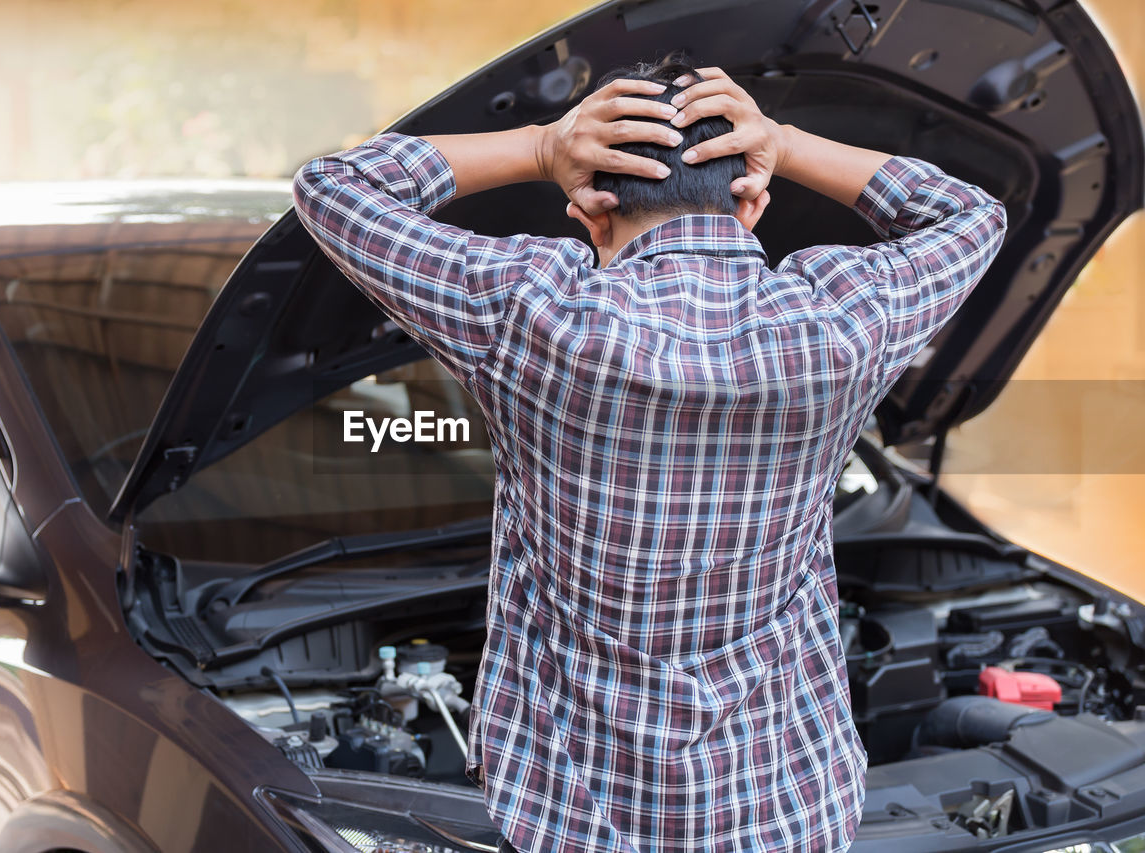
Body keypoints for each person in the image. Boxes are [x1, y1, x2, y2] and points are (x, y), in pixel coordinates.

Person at [293, 55, 1005, 853]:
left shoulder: (534, 311)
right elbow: (971, 216)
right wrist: (785, 140)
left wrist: (538, 144)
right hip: (788, 813)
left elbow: (333, 188)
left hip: (576, 818)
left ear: (590, 207)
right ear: (752, 199)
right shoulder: (839, 322)